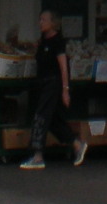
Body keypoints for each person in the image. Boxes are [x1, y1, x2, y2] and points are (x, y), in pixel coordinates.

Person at [19, 11, 87, 170]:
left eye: (43, 20)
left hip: (53, 84)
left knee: (41, 116)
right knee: (53, 119)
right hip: (42, 83)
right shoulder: (43, 40)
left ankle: (37, 155)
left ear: (53, 23)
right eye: (39, 19)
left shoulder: (57, 42)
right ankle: (77, 144)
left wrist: (65, 89)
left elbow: (63, 66)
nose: (40, 23)